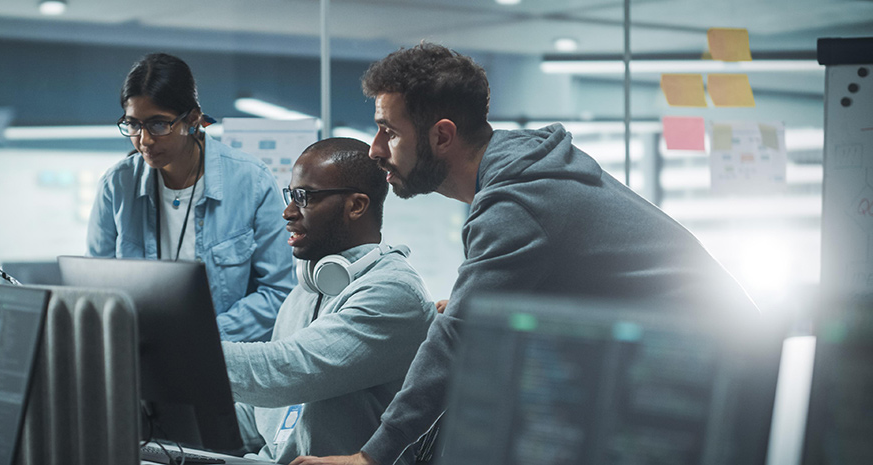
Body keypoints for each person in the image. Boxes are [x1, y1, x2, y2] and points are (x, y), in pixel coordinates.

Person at [291, 43, 757, 465]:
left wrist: (372, 458)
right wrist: (489, 304)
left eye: (388, 132)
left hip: (716, 395)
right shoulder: (519, 170)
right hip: (703, 373)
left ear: (442, 136)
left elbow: (455, 343)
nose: (374, 150)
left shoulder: (517, 202)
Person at [223, 138, 435, 464]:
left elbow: (286, 372)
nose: (288, 212)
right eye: (290, 195)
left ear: (356, 206)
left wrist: (187, 357)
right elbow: (260, 418)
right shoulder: (306, 291)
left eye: (304, 197)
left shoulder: (394, 294)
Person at [88, 53, 294, 342]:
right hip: (141, 358)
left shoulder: (252, 181)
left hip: (223, 362)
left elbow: (278, 292)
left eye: (158, 124)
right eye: (133, 124)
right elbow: (95, 289)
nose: (144, 140)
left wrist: (201, 337)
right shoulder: (116, 185)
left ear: (193, 119)